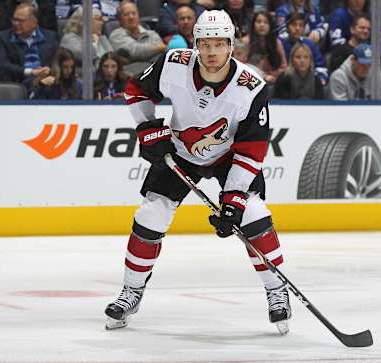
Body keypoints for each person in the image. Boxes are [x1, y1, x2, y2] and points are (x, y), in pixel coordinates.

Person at [104, 9, 292, 335]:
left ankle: (277, 291)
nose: (212, 52)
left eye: (220, 44)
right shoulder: (174, 62)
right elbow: (136, 90)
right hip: (180, 151)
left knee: (254, 214)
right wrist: (148, 128)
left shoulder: (252, 87)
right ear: (196, 44)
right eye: (206, 44)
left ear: (232, 45)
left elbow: (251, 150)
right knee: (150, 215)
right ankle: (131, 291)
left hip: (230, 157)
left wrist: (232, 198)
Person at [0, 3, 57, 91]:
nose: (16, 23)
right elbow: (3, 65)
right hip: (17, 85)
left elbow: (57, 62)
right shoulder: (3, 38)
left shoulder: (50, 37)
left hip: (46, 82)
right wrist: (31, 72)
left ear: (34, 23)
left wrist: (47, 71)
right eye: (14, 19)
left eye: (21, 21)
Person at [278, 13, 328, 85]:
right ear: (287, 27)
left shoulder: (310, 44)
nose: (297, 28)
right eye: (294, 25)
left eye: (301, 25)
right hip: (284, 83)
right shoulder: (279, 43)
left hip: (307, 83)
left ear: (304, 29)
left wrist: (320, 80)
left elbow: (321, 67)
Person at [241, 11, 287, 84]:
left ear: (270, 25)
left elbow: (283, 66)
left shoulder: (276, 42)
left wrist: (272, 76)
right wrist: (263, 76)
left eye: (266, 22)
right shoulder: (245, 42)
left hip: (273, 80)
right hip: (250, 81)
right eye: (259, 22)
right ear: (253, 24)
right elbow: (241, 67)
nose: (262, 25)